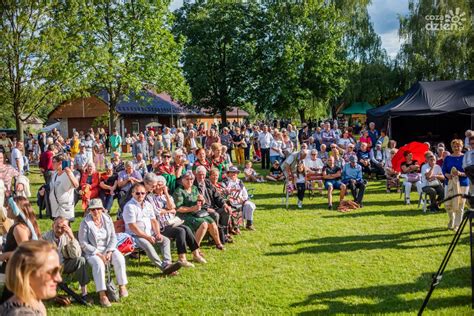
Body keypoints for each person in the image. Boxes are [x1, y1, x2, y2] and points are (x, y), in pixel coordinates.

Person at [123, 183, 183, 274]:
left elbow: (154, 221)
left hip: (149, 234)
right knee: (147, 245)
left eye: (143, 193)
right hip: (134, 236)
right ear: (132, 193)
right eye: (137, 193)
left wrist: (158, 233)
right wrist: (147, 237)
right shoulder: (129, 206)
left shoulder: (147, 204)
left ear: (145, 194)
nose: (140, 195)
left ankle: (168, 263)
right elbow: (133, 227)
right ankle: (164, 268)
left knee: (165, 240)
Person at [78, 199, 128, 307]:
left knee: (119, 258)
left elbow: (113, 237)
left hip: (107, 249)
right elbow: (83, 243)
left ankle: (122, 286)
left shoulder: (107, 219)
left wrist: (109, 251)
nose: (96, 211)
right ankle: (102, 295)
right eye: (93, 209)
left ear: (102, 209)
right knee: (99, 264)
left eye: (98, 209)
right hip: (92, 252)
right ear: (89, 210)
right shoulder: (85, 222)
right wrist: (98, 253)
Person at [151, 176, 206, 266]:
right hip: (161, 226)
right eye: (157, 185)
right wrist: (169, 210)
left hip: (172, 222)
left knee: (186, 229)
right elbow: (157, 212)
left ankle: (196, 254)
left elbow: (173, 208)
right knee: (180, 231)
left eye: (161, 185)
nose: (158, 187)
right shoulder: (151, 198)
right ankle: (182, 259)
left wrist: (166, 193)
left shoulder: (167, 197)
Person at [0, 240, 62, 315]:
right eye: (52, 272)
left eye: (59, 270)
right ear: (26, 274)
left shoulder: (34, 306)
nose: (59, 279)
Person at [43, 216, 90, 301]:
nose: (60, 230)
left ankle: (84, 293)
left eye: (63, 227)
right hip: (50, 268)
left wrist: (72, 237)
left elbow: (76, 255)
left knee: (81, 260)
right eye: (57, 226)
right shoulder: (45, 238)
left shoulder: (67, 236)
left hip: (64, 265)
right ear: (52, 226)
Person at [173, 171, 224, 248]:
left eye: (191, 179)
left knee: (212, 222)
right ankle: (195, 248)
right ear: (182, 180)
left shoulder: (194, 188)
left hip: (196, 213)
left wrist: (202, 200)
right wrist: (192, 208)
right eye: (187, 179)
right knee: (204, 224)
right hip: (183, 216)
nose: (190, 181)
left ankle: (218, 243)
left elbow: (200, 202)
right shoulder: (179, 191)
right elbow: (178, 208)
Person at [194, 166, 234, 243]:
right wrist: (206, 208)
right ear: (196, 174)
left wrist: (224, 205)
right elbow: (195, 200)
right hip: (201, 209)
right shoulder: (193, 185)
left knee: (225, 211)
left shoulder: (207, 182)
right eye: (200, 174)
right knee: (215, 215)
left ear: (205, 174)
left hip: (213, 206)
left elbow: (217, 196)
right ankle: (213, 237)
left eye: (203, 174)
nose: (201, 176)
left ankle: (224, 235)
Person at [442, 139, 469, 231]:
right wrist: (446, 175)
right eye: (454, 146)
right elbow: (443, 169)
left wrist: (460, 174)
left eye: (458, 146)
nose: (456, 148)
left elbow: (469, 171)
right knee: (448, 204)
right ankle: (451, 219)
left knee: (460, 205)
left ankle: (457, 225)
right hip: (449, 183)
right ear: (451, 147)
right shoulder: (448, 158)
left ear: (462, 147)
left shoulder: (465, 157)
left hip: (463, 183)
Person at [49, 154, 79, 221]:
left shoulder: (68, 174)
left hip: (65, 209)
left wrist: (69, 172)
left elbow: (76, 185)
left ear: (60, 163)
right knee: (57, 229)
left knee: (65, 228)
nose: (52, 164)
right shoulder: (55, 174)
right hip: (56, 208)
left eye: (54, 162)